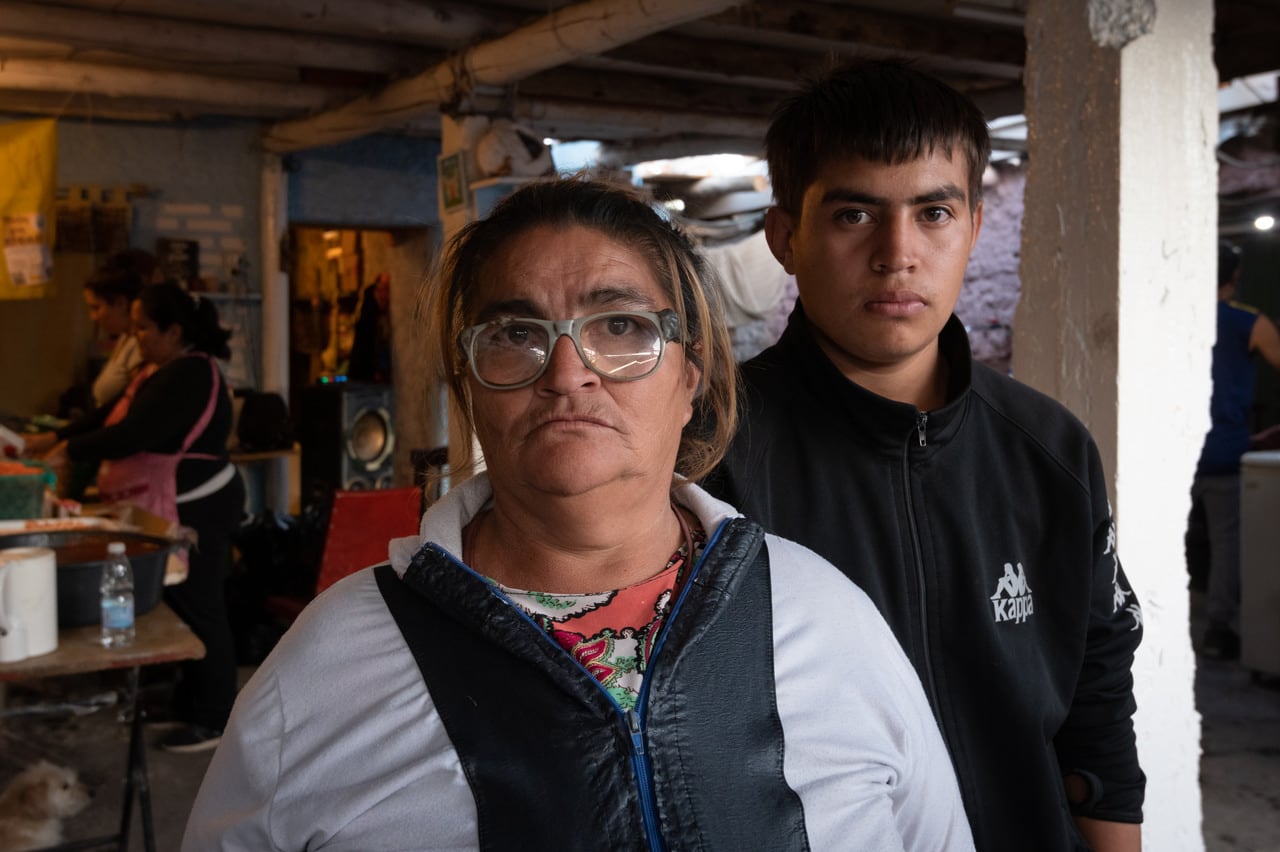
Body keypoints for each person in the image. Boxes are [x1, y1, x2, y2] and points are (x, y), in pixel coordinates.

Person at [182, 177, 975, 851]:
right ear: (466, 386)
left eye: (621, 327)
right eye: (516, 334)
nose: (568, 372)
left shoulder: (824, 621)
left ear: (690, 376)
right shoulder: (328, 671)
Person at [704, 60, 1146, 852]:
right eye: (852, 215)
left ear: (974, 226)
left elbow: (1099, 698)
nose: (897, 254)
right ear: (786, 239)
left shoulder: (1049, 450)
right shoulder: (712, 453)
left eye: (934, 212)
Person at [42, 283, 245, 753]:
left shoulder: (192, 374)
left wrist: (70, 449)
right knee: (178, 604)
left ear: (174, 331)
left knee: (201, 605)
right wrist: (58, 439)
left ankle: (214, 719)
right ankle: (185, 701)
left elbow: (135, 433)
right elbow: (107, 420)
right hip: (176, 501)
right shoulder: (160, 370)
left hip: (200, 503)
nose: (135, 338)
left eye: (143, 328)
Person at [1188, 241, 1280, 659]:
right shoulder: (1250, 322)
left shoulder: (1178, 317)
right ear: (1236, 276)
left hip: (1176, 451)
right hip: (1224, 451)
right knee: (1226, 542)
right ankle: (1217, 630)